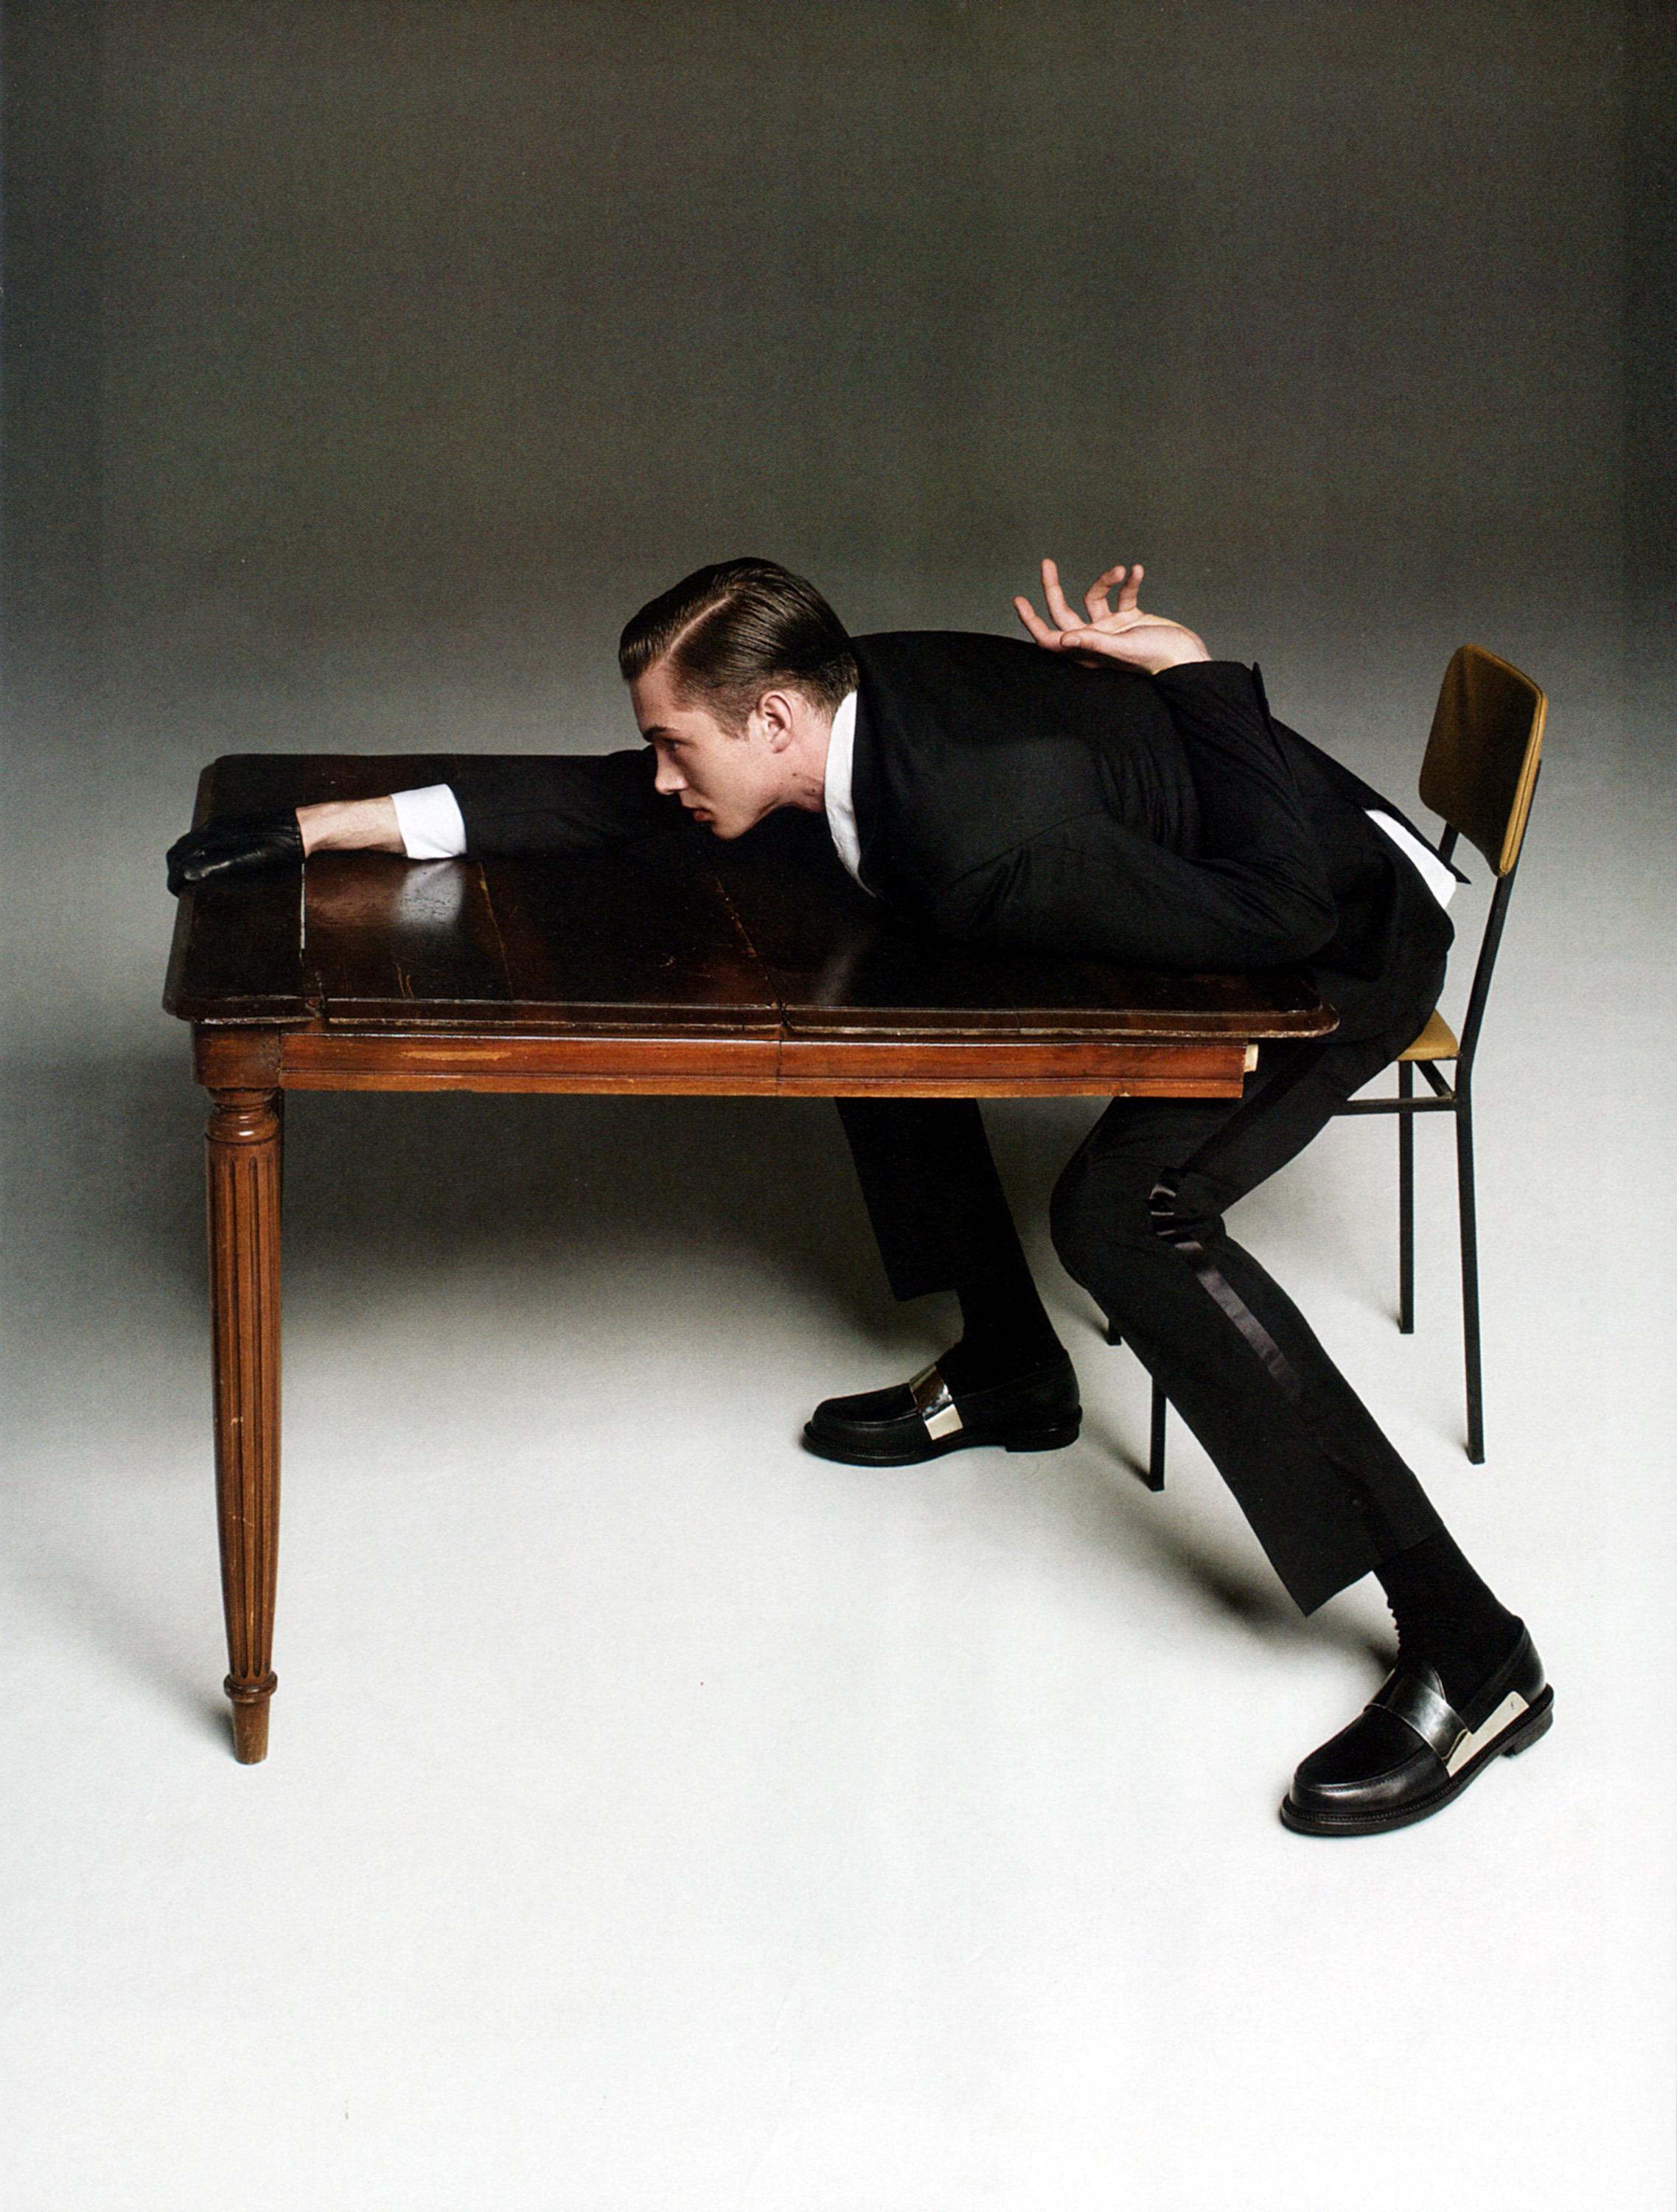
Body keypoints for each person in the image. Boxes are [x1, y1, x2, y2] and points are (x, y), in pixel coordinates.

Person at [168, 554, 1552, 1835]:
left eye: (677, 746)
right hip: (1184, 859)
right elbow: (610, 799)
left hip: (1343, 931)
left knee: (1122, 1214)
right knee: (876, 1001)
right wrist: (329, 828)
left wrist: (1194, 673)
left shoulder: (977, 836)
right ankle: (1013, 1370)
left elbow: (1281, 914)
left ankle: (1470, 1646)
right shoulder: (844, 698)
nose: (662, 776)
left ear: (773, 719)